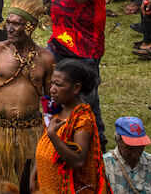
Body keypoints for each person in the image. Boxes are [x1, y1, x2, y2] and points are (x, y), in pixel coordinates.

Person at [0, 0, 54, 194]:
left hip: (31, 132)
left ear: (30, 27)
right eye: (8, 23)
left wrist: (50, 131)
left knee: (29, 185)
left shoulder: (46, 58)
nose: (9, 28)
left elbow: (51, 99)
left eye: (17, 24)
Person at [45, 0, 110, 148]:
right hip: (59, 41)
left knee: (85, 100)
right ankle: (57, 134)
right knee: (52, 89)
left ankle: (97, 143)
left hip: (84, 49)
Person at [33, 59, 107, 194]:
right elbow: (45, 146)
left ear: (76, 88)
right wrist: (35, 172)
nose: (52, 90)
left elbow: (78, 161)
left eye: (59, 85)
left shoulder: (82, 119)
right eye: (52, 84)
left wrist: (53, 136)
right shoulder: (56, 111)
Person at [102, 116, 151, 194]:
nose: (135, 155)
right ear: (118, 140)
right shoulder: (103, 166)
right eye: (129, 148)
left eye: (140, 147)